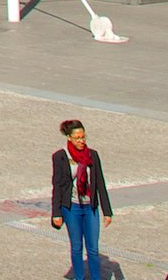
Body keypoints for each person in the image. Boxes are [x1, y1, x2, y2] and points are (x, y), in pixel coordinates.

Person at [50, 118, 112, 280]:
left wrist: (107, 211)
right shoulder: (60, 156)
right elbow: (57, 186)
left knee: (92, 249)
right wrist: (56, 213)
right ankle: (79, 277)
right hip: (72, 207)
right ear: (69, 138)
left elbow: (100, 183)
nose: (81, 141)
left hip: (90, 207)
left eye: (83, 137)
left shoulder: (93, 155)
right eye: (77, 138)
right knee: (77, 247)